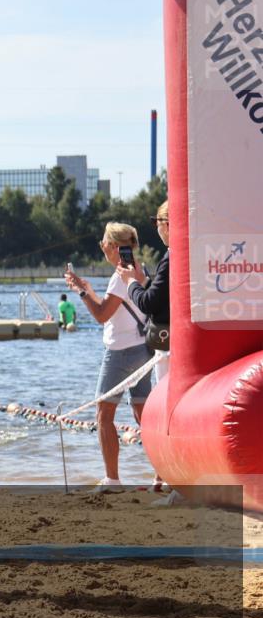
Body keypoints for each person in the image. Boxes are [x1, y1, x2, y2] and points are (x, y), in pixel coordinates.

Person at [65, 222, 154, 492]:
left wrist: (81, 294)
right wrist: (90, 291)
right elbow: (116, 309)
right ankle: (162, 475)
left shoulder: (118, 277)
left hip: (120, 353)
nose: (102, 247)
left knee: (104, 415)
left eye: (104, 243)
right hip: (144, 350)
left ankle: (112, 480)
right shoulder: (140, 270)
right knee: (144, 416)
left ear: (114, 246)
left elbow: (102, 315)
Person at [117, 201, 170, 494]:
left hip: (167, 344)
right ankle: (164, 476)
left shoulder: (172, 256)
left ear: (168, 223)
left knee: (165, 410)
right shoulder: (183, 254)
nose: (157, 227)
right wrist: (143, 280)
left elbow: (150, 303)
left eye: (157, 221)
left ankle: (167, 477)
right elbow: (160, 293)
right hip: (172, 343)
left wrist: (130, 284)